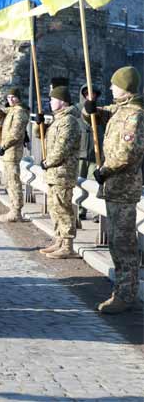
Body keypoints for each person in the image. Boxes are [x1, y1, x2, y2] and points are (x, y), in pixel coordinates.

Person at [83, 66, 144, 314]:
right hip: (114, 188)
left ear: (125, 87)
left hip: (124, 187)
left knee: (123, 244)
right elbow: (102, 114)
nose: (110, 88)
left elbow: (128, 153)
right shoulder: (122, 110)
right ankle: (121, 290)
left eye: (114, 84)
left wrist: (106, 170)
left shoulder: (136, 115)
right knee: (117, 243)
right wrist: (91, 110)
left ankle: (126, 295)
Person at [36, 85, 81, 259]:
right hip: (54, 173)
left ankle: (68, 244)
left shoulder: (68, 121)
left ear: (62, 102)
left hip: (63, 172)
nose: (49, 102)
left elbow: (62, 148)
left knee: (63, 208)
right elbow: (40, 135)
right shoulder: (57, 119)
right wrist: (40, 123)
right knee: (55, 208)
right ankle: (59, 240)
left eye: (52, 99)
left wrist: (48, 162)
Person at [0, 87, 29, 222]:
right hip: (8, 151)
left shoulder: (19, 112)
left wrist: (4, 146)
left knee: (13, 180)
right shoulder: (12, 110)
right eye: (8, 97)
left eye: (13, 97)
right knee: (9, 180)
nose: (10, 100)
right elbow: (4, 114)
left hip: (12, 150)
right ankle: (13, 208)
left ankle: (16, 210)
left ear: (18, 98)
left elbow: (15, 133)